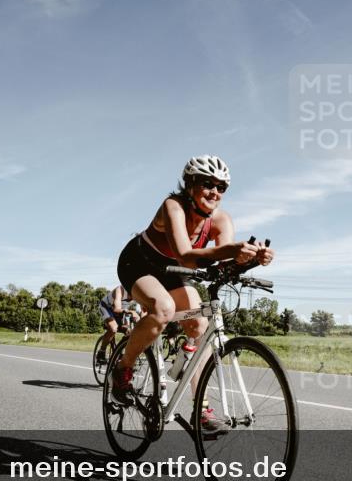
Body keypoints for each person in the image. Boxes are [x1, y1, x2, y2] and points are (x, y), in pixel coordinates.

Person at [113, 155, 273, 433]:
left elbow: (225, 265)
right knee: (162, 308)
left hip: (175, 271)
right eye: (207, 184)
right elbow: (186, 256)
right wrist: (233, 250)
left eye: (221, 187)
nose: (215, 192)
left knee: (200, 324)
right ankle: (123, 368)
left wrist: (252, 259)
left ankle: (201, 408)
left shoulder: (221, 220)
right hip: (139, 263)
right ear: (190, 185)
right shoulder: (173, 206)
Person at [96, 285, 142, 364]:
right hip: (107, 307)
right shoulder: (120, 290)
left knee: (129, 332)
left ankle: (119, 351)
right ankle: (101, 351)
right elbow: (116, 309)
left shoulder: (139, 294)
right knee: (113, 328)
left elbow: (143, 312)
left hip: (121, 311)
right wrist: (131, 312)